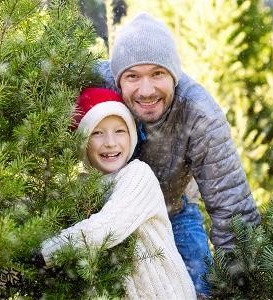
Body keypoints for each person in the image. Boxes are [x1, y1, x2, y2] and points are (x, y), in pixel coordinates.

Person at [96, 12, 261, 297]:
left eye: (157, 74)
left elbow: (231, 205)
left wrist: (243, 283)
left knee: (199, 287)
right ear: (117, 79)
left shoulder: (199, 113)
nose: (146, 90)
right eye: (133, 76)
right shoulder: (96, 86)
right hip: (104, 213)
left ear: (174, 75)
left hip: (174, 210)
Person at [38, 87, 196, 299]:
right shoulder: (82, 189)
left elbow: (107, 227)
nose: (110, 142)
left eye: (119, 131)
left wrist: (45, 252)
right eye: (97, 133)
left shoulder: (138, 175)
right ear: (83, 143)